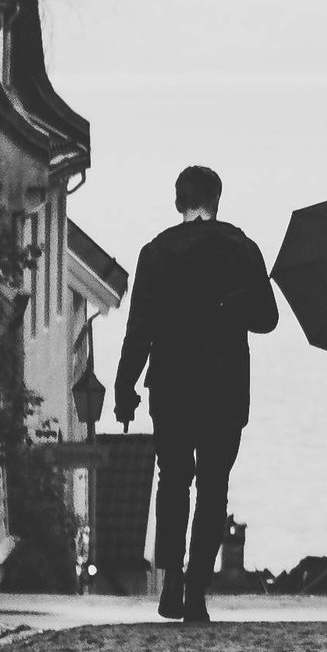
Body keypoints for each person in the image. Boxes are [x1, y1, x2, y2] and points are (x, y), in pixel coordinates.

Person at [115, 165, 278, 623]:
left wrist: (125, 386)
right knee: (213, 488)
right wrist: (231, 304)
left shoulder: (156, 253)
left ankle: (170, 578)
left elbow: (139, 328)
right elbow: (267, 318)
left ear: (177, 201)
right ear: (218, 200)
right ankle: (197, 589)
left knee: (173, 481)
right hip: (225, 388)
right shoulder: (243, 250)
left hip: (171, 385)